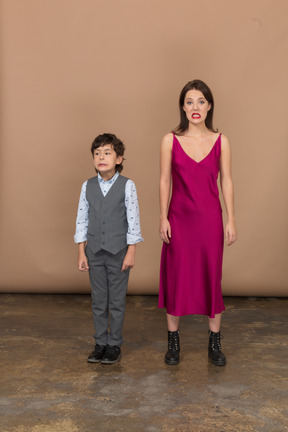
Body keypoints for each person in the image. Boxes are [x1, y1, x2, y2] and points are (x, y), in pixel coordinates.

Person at [158, 80, 237, 366]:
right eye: (189, 101)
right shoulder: (170, 140)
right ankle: (173, 342)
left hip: (209, 221)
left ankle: (214, 343)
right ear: (182, 106)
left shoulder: (221, 141)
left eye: (201, 101)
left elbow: (226, 181)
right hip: (179, 219)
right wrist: (163, 216)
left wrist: (231, 219)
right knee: (176, 276)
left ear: (209, 106)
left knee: (211, 277)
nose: (195, 107)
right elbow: (164, 180)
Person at [74, 133, 143, 365]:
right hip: (94, 251)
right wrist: (81, 251)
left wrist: (131, 251)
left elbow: (133, 220)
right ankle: (100, 342)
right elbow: (81, 219)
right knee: (98, 300)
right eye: (97, 153)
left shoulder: (127, 185)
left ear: (119, 158)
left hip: (118, 252)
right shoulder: (87, 186)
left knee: (116, 301)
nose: (101, 157)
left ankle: (114, 344)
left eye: (107, 152)